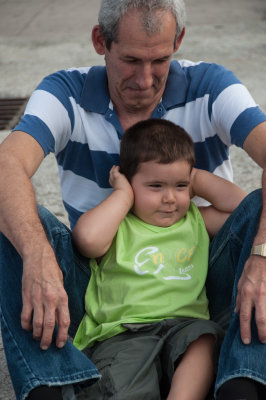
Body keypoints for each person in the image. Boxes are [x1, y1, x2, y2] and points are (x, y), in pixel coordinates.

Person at [0, 0, 265, 399]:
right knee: (12, 222)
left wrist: (262, 255)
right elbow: (7, 164)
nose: (145, 79)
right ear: (100, 41)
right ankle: (53, 386)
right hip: (105, 287)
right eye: (130, 60)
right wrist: (38, 258)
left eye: (160, 60)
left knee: (263, 213)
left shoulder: (211, 86)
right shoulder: (65, 92)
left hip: (198, 281)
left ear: (179, 40)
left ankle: (242, 383)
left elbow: (243, 207)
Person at [72, 118, 246, 399]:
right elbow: (88, 240)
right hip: (125, 331)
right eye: (155, 186)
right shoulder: (118, 224)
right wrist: (122, 194)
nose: (169, 198)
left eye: (179, 186)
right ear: (130, 182)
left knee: (204, 340)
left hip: (185, 324)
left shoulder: (196, 220)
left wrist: (196, 178)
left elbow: (244, 210)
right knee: (120, 384)